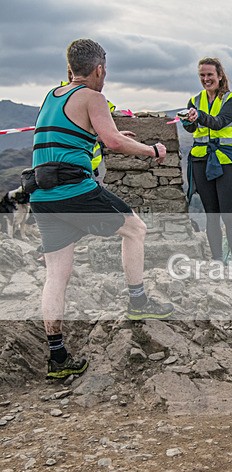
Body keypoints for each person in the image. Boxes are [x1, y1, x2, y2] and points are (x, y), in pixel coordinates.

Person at [30, 38, 174, 380]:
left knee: (56, 275)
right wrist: (151, 150)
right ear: (98, 69)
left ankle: (57, 357)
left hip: (43, 195)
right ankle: (138, 303)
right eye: (104, 72)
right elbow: (114, 142)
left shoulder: (52, 95)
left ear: (69, 70)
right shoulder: (94, 97)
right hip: (75, 190)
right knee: (135, 228)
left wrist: (98, 134)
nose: (104, 78)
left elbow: (68, 136)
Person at [181, 57, 232, 262]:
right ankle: (217, 260)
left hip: (225, 161)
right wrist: (187, 121)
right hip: (201, 161)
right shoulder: (195, 100)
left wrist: (197, 115)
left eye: (210, 75)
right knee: (211, 216)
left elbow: (218, 123)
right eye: (202, 75)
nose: (206, 79)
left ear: (219, 76)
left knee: (228, 216)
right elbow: (192, 129)